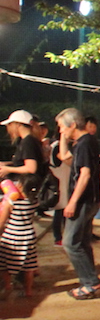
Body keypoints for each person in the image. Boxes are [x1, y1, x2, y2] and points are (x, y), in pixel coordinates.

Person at [56, 107, 100, 300]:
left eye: (62, 126)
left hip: (83, 200)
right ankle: (90, 282)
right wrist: (64, 138)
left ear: (73, 124)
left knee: (70, 243)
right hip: (90, 199)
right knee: (82, 242)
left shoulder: (84, 144)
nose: (60, 130)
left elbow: (84, 175)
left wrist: (72, 202)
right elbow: (65, 158)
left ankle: (90, 282)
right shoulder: (85, 142)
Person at [0, 110, 47, 298]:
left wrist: (7, 169)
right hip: (25, 194)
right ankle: (25, 283)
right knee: (26, 243)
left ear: (17, 125)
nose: (8, 129)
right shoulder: (29, 141)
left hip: (21, 193)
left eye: (10, 125)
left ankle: (10, 284)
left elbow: (31, 167)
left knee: (9, 234)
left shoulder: (27, 142)